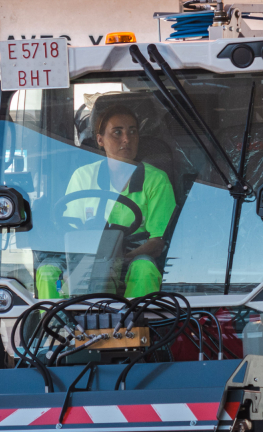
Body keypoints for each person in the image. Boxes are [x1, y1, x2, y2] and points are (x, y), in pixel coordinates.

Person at [36, 104, 176, 299]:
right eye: (117, 132)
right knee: (47, 271)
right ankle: (58, 327)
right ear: (100, 140)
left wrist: (118, 261)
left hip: (130, 260)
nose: (126, 139)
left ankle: (134, 327)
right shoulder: (83, 176)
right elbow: (69, 230)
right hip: (84, 257)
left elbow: (157, 242)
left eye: (132, 132)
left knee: (145, 268)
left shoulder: (156, 180)